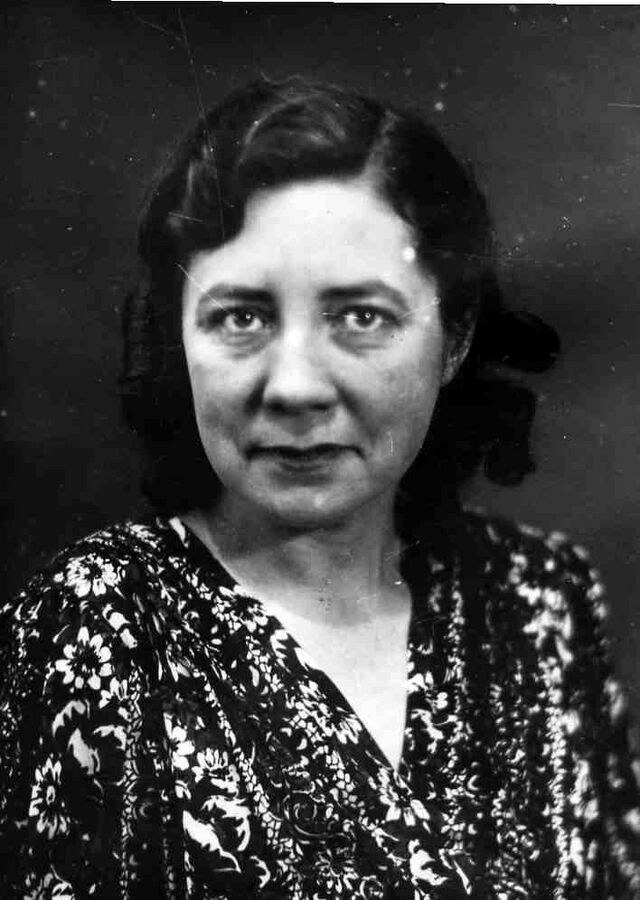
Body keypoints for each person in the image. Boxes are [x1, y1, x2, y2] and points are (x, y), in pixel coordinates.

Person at [1, 76, 638, 899]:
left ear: (454, 339)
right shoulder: (98, 624)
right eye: (241, 317)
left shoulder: (541, 599)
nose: (295, 386)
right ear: (179, 338)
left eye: (360, 316)